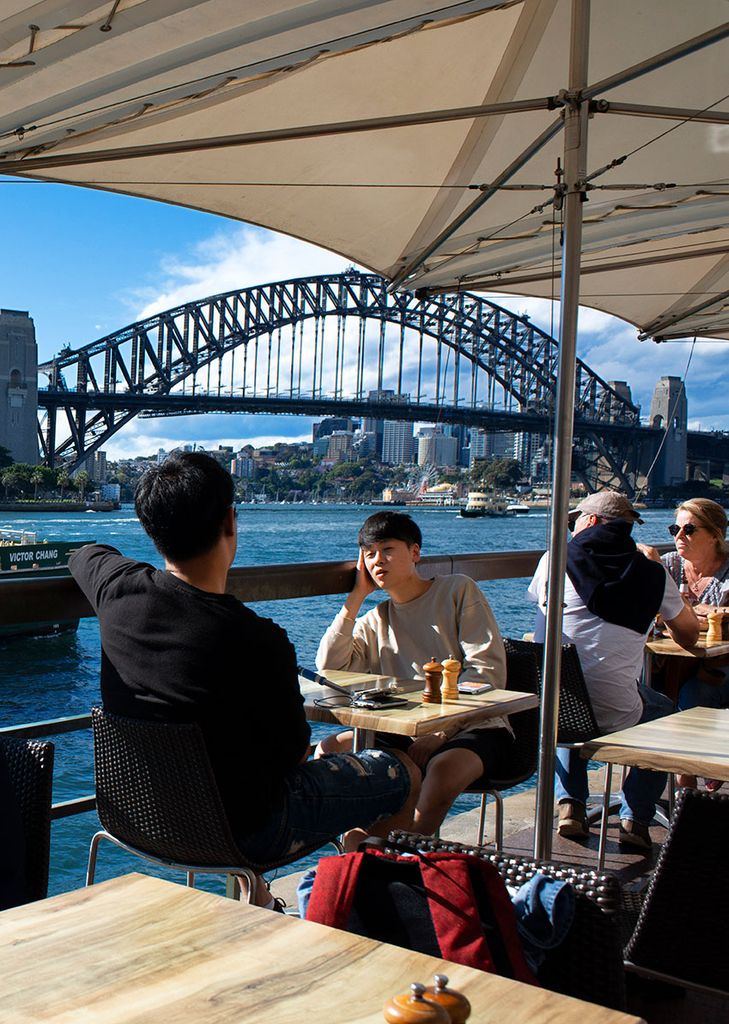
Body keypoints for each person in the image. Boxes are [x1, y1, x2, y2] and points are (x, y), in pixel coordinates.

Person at [69, 453, 419, 908]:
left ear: (152, 532)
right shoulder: (260, 640)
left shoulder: (118, 592)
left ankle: (262, 898)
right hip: (247, 835)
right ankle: (354, 904)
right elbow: (294, 755)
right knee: (403, 771)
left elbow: (85, 554)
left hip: (136, 819)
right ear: (231, 523)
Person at [315, 510, 512, 835]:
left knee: (443, 771)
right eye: (370, 554)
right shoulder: (374, 620)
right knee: (329, 750)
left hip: (474, 724)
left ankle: (402, 858)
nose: (378, 561)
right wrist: (356, 597)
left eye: (388, 550)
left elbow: (485, 673)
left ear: (415, 552)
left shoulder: (457, 591)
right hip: (404, 729)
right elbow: (330, 669)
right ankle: (367, 847)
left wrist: (441, 731)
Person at [527, 491, 699, 850]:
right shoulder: (652, 573)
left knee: (571, 687)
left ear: (590, 521)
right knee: (666, 713)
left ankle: (570, 804)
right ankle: (636, 815)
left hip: (548, 710)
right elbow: (689, 635)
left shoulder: (553, 560)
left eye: (576, 519)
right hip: (617, 713)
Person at [657, 498, 729, 789]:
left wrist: (682, 614)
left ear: (715, 535)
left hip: (720, 665)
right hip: (671, 661)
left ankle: (685, 795)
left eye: (689, 529)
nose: (678, 536)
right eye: (675, 528)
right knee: (650, 695)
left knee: (690, 698)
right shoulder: (667, 565)